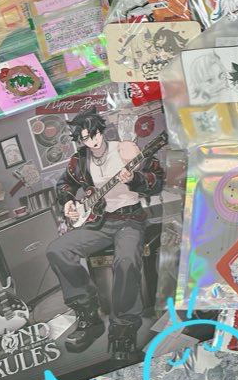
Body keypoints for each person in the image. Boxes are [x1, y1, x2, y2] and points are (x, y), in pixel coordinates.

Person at [47, 110, 165, 362]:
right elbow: (64, 184)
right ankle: (88, 315)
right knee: (57, 250)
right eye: (84, 138)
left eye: (94, 135)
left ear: (101, 131)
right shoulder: (79, 160)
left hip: (130, 220)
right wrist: (68, 201)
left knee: (126, 261)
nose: (91, 142)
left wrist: (135, 178)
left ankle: (123, 326)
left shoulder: (126, 150)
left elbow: (157, 181)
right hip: (98, 221)